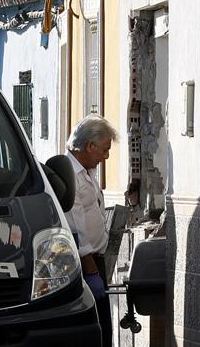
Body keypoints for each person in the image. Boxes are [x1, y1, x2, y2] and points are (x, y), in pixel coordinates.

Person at [65, 114, 118, 347]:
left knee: (105, 330)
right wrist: (91, 271)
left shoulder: (86, 172)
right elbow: (75, 228)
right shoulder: (70, 175)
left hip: (97, 261)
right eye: (104, 150)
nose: (105, 157)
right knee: (95, 332)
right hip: (86, 266)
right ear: (89, 146)